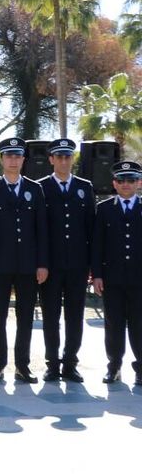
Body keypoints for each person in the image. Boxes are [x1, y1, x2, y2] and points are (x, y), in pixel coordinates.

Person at [0, 137, 49, 384]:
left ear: (23, 160)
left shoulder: (34, 189)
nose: (13, 160)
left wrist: (42, 263)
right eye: (9, 156)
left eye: (17, 156)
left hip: (28, 266)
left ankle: (22, 366)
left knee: (26, 317)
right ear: (1, 159)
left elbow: (42, 230)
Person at [37, 138, 96, 382]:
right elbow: (39, 230)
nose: (63, 161)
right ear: (51, 159)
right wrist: (41, 263)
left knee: (74, 315)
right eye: (59, 157)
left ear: (72, 159)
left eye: (67, 156)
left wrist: (93, 266)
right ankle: (52, 363)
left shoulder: (85, 187)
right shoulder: (40, 187)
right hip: (50, 265)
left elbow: (91, 229)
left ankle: (70, 363)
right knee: (50, 315)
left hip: (77, 265)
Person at [90, 160, 142, 385]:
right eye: (121, 180)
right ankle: (114, 366)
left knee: (140, 324)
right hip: (113, 278)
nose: (126, 184)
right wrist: (97, 275)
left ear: (139, 183)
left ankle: (141, 368)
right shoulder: (104, 209)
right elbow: (97, 245)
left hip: (139, 279)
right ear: (114, 183)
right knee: (113, 324)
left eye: (131, 180)